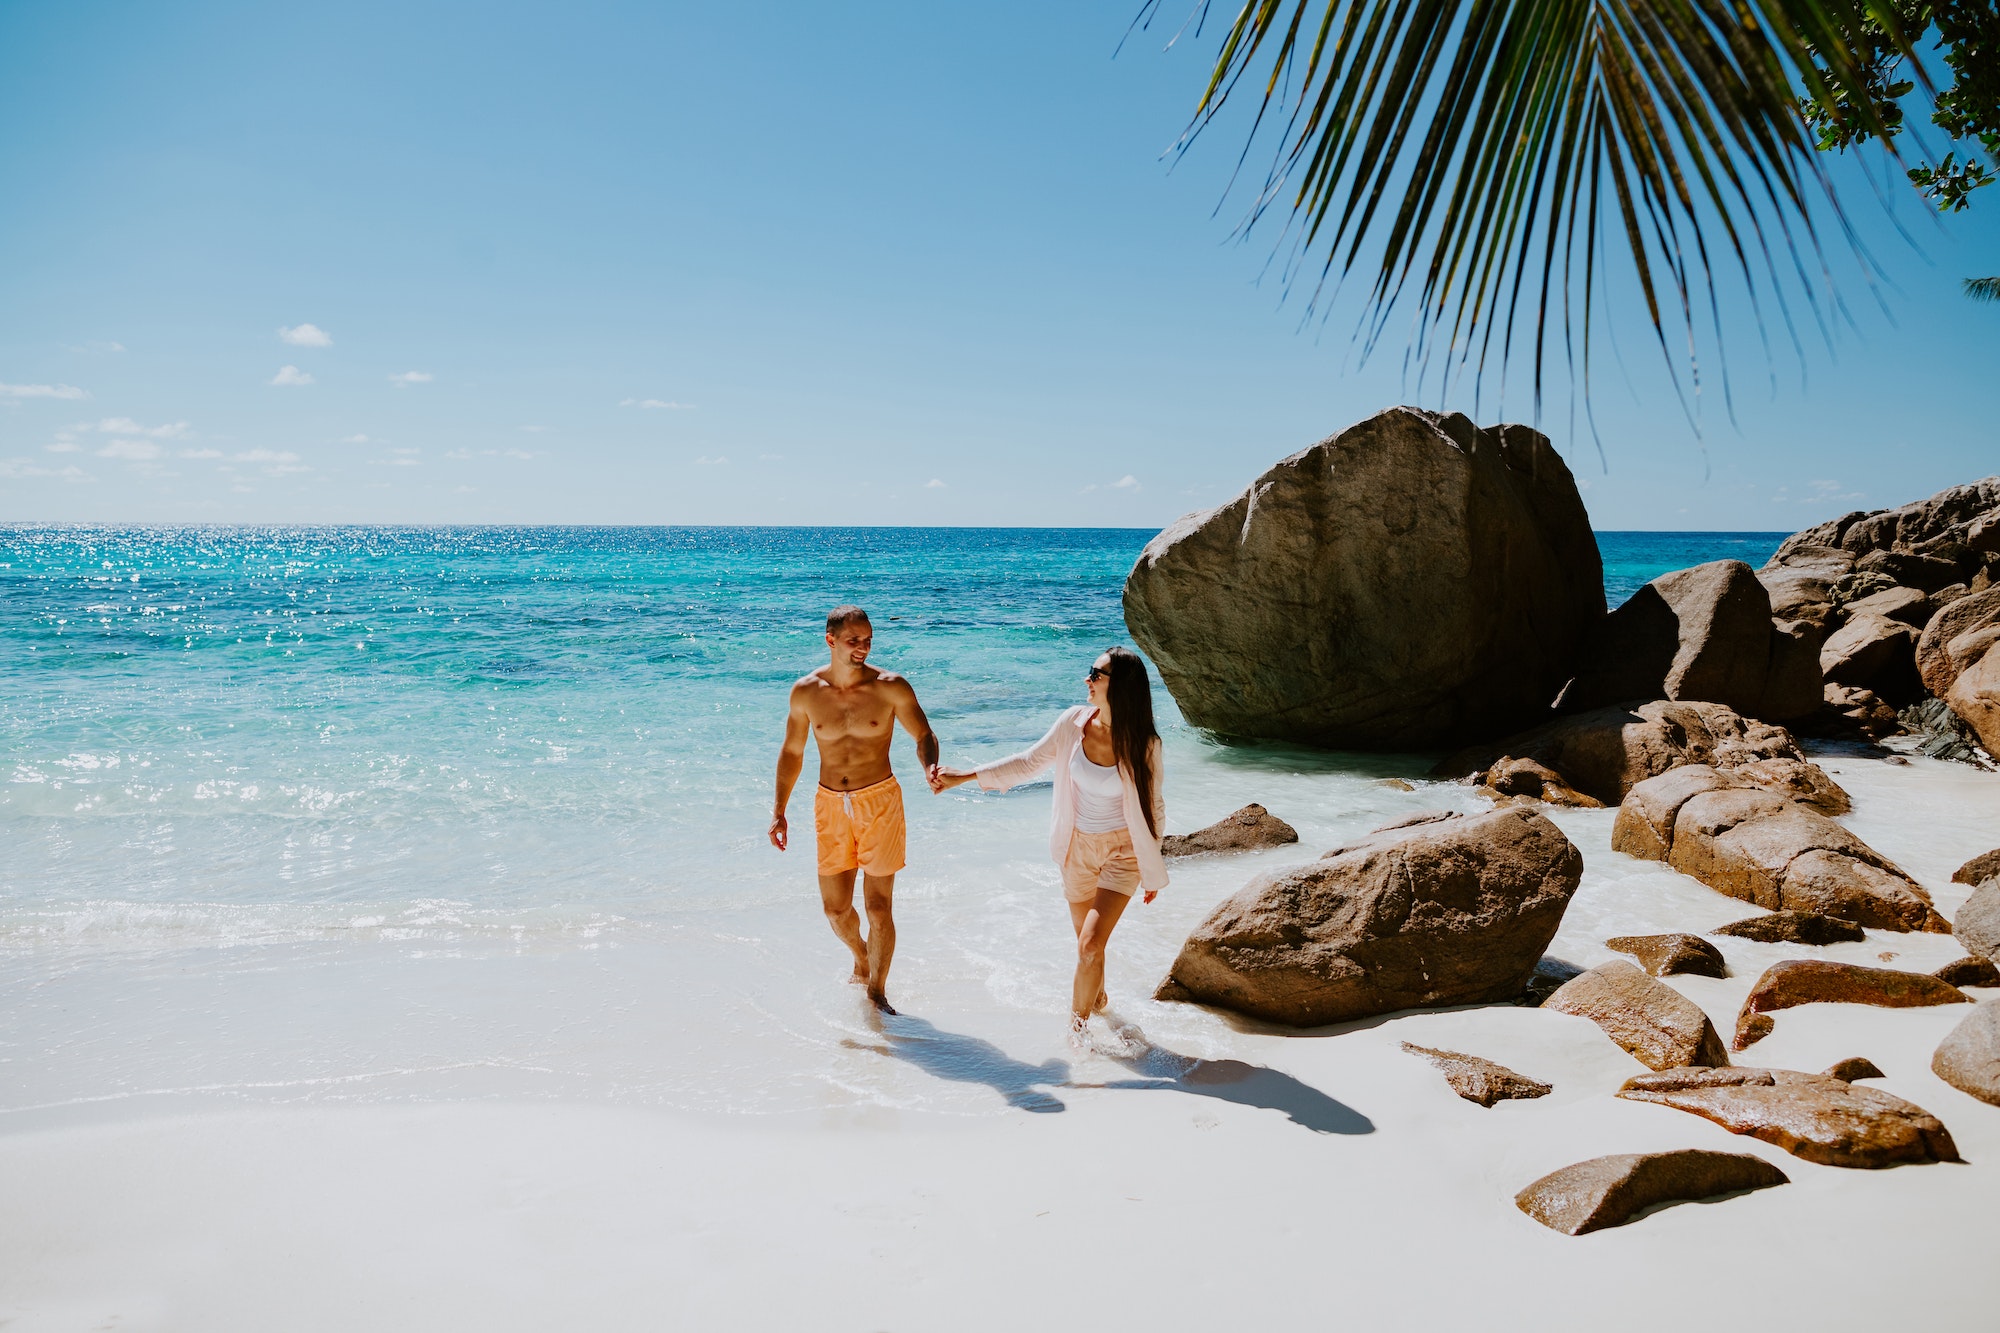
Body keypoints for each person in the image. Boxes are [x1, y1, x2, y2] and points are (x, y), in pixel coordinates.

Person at [934, 646, 1166, 1036]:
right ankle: (1099, 1000)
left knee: (1090, 946)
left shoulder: (1144, 743)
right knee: (1087, 948)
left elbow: (1154, 805)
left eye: (1096, 674)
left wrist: (1151, 866)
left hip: (1122, 853)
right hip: (1077, 848)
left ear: (1120, 686)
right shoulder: (1073, 723)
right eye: (1090, 672)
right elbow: (1029, 761)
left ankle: (1078, 1036)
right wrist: (966, 776)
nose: (1087, 680)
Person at [770, 605, 941, 1014]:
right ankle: (862, 956)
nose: (862, 648)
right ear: (830, 641)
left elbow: (923, 734)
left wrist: (930, 765)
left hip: (879, 799)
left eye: (867, 640)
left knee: (878, 907)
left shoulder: (891, 686)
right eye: (853, 641)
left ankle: (877, 992)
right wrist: (779, 809)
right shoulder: (806, 692)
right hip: (829, 804)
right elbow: (793, 752)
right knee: (835, 909)